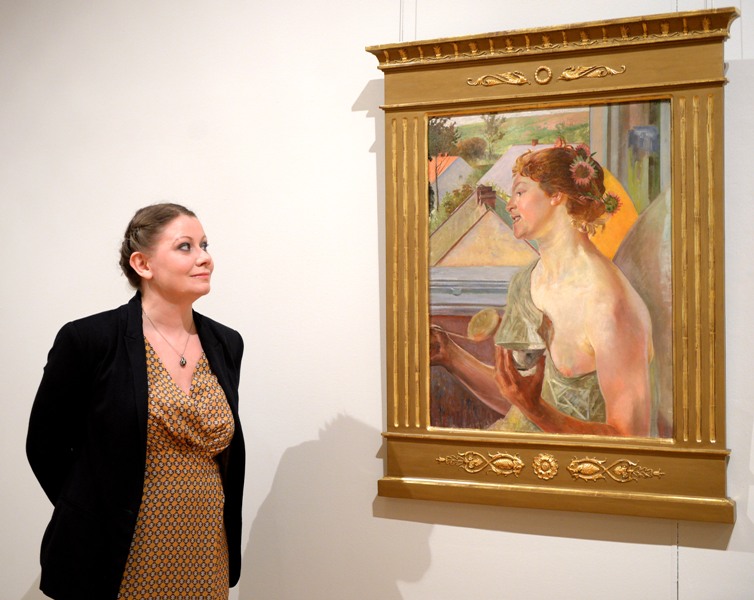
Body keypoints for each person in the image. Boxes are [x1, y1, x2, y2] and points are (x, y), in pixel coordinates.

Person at [26, 203, 245, 599]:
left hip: (204, 547)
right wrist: (95, 514)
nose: (204, 258)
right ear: (143, 264)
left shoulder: (226, 342)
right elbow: (45, 446)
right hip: (121, 550)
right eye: (185, 246)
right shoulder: (90, 339)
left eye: (205, 245)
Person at [431, 141, 653, 437]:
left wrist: (536, 410)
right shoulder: (525, 282)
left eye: (520, 192)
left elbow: (629, 439)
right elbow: (517, 401)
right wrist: (449, 355)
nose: (509, 204)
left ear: (557, 195)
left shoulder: (609, 303)